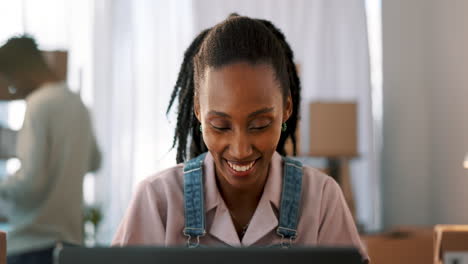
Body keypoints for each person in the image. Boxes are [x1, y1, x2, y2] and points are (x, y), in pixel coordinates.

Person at [113, 15, 368, 262]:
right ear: (198, 111)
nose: (241, 149)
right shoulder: (158, 201)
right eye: (221, 126)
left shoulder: (321, 199)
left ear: (286, 108)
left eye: (259, 125)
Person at [0, 36, 101, 264]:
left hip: (32, 245)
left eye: (10, 79)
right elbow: (95, 161)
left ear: (20, 71)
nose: (13, 87)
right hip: (70, 242)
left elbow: (30, 182)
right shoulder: (77, 103)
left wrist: (3, 186)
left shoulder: (38, 104)